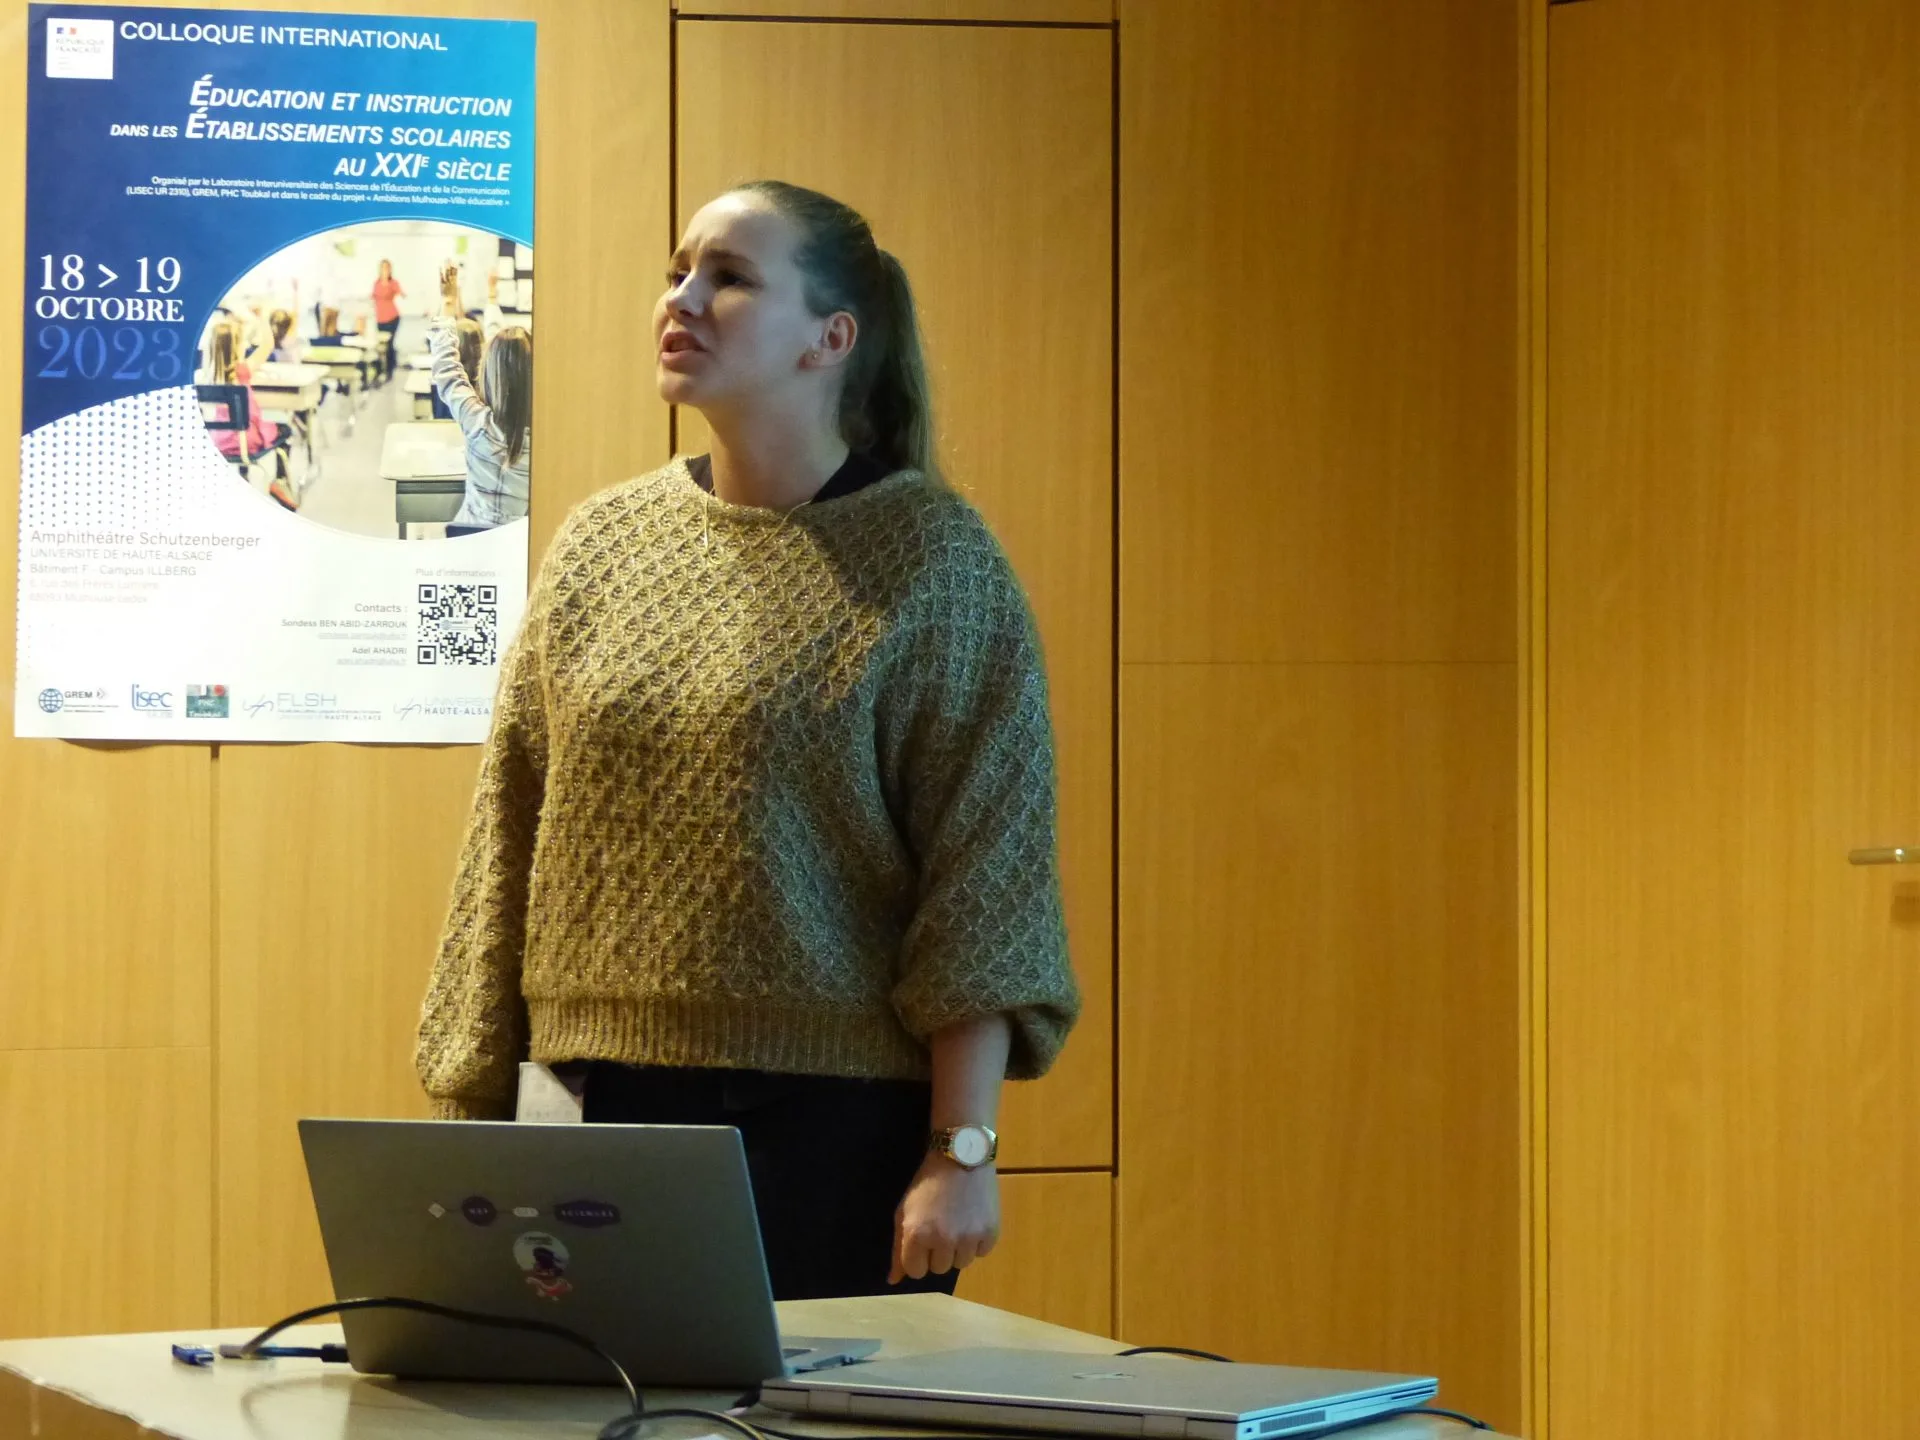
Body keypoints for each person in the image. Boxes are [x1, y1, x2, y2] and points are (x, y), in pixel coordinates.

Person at [415, 180, 1080, 1300]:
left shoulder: (936, 562)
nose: (681, 299)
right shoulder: (602, 544)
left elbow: (986, 882)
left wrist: (961, 1152)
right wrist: (468, 1098)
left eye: (728, 278)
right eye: (678, 272)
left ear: (832, 338)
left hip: (834, 1136)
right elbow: (508, 831)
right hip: (586, 1106)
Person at [425, 262, 530, 529]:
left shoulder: (478, 424)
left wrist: (448, 302)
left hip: (468, 540)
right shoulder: (546, 442)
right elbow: (502, 350)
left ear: (490, 371)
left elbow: (447, 368)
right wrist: (491, 297)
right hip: (518, 546)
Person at [203, 318, 295, 510]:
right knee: (284, 429)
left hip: (217, 443)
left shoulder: (204, 377)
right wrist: (260, 318)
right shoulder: (242, 371)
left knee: (243, 429)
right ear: (237, 347)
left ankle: (243, 478)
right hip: (245, 442)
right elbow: (268, 344)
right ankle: (277, 480)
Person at [371, 258, 404, 382]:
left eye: (387, 268)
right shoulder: (376, 283)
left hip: (392, 317)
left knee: (389, 344)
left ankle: (389, 371)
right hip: (380, 318)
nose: (384, 270)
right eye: (382, 267)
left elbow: (401, 294)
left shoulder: (393, 283)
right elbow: (373, 297)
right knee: (380, 345)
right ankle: (379, 370)